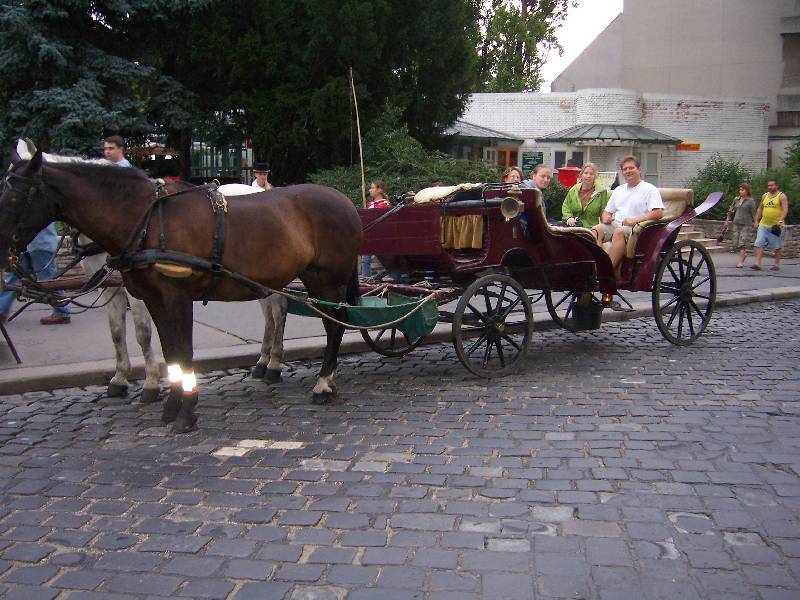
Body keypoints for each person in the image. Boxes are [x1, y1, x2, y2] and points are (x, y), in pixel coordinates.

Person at [592, 155, 664, 269]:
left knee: (619, 232)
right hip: (616, 224)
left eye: (631, 168)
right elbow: (606, 212)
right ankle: (596, 265)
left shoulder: (649, 189)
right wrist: (606, 217)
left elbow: (658, 213)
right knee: (596, 230)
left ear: (639, 169)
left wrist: (634, 220)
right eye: (625, 169)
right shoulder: (619, 190)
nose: (628, 171)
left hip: (637, 228)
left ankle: (607, 271)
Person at [0, 223, 72, 325]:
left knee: (49, 280)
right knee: (15, 276)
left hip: (40, 245)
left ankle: (62, 312)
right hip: (29, 246)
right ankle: (1, 309)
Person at [751, 179, 789, 271]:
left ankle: (776, 264)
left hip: (776, 226)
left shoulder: (781, 196)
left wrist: (781, 220)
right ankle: (757, 264)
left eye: (772, 185)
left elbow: (785, 209)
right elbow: (760, 208)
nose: (770, 187)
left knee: (777, 246)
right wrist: (756, 220)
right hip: (764, 224)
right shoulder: (765, 196)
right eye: (768, 185)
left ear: (777, 186)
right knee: (759, 243)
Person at [561, 162, 609, 231]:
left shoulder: (602, 192)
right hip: (573, 227)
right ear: (581, 175)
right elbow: (566, 206)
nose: (588, 176)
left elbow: (604, 211)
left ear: (595, 176)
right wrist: (569, 217)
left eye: (591, 174)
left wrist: (604, 228)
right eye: (586, 173)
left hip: (591, 228)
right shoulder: (574, 189)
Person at [361, 180, 391, 278]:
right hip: (369, 235)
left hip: (379, 236)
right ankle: (366, 279)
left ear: (379, 190)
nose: (370, 190)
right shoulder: (370, 204)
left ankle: (385, 278)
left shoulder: (385, 204)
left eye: (372, 188)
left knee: (382, 260)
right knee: (365, 260)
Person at [723, 183, 757, 268]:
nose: (740, 191)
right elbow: (731, 210)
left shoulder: (751, 201)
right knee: (735, 243)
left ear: (747, 191)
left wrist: (755, 222)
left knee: (742, 242)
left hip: (746, 224)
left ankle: (741, 262)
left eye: (742, 190)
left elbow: (754, 213)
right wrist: (727, 220)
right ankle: (744, 254)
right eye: (740, 190)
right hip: (736, 223)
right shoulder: (736, 199)